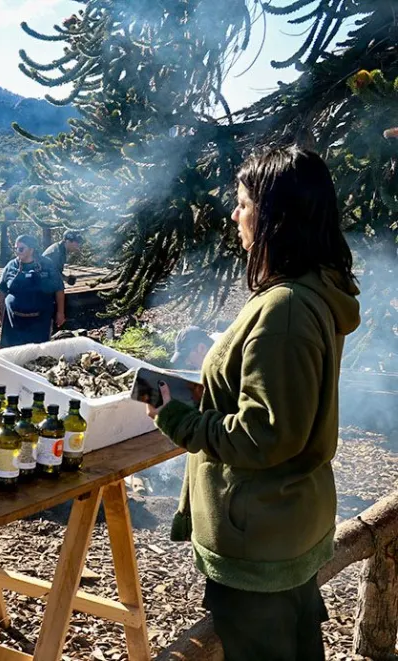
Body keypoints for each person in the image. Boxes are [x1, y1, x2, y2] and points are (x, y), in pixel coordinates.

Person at [147, 146, 360, 660]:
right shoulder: (304, 292)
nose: (235, 214)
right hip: (282, 527)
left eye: (244, 203)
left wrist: (176, 417)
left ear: (275, 217)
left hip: (260, 541)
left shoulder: (285, 309)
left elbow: (267, 434)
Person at [0, 234, 62, 348]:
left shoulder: (47, 265)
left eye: (21, 248)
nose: (17, 251)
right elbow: (2, 291)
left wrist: (60, 312)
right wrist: (0, 312)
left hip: (39, 321)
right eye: (16, 248)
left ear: (31, 249)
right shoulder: (11, 266)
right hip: (13, 321)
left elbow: (59, 289)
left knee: (36, 355)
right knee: (13, 353)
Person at [42, 229, 84, 328]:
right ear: (68, 241)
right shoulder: (55, 253)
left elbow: (56, 271)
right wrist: (66, 280)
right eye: (76, 243)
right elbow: (53, 274)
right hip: (43, 284)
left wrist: (67, 279)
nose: (78, 246)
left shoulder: (61, 249)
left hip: (49, 280)